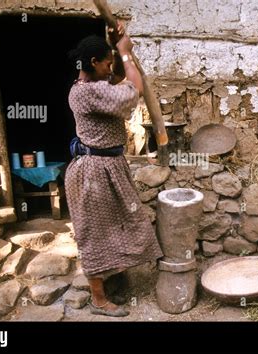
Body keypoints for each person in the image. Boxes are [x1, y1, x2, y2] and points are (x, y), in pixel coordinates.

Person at [65, 23, 163, 317]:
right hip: (92, 174)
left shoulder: (98, 84)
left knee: (124, 226)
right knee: (94, 235)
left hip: (108, 168)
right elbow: (132, 91)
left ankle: (115, 282)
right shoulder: (84, 93)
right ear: (93, 63)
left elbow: (119, 79)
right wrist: (125, 52)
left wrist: (115, 44)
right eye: (106, 62)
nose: (111, 68)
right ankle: (98, 300)